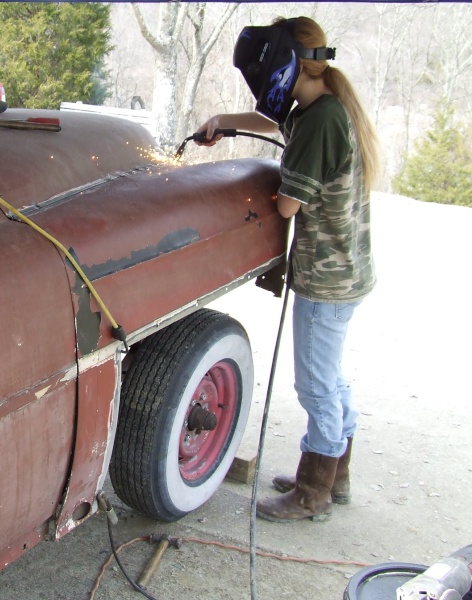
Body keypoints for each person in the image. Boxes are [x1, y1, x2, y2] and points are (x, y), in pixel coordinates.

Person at [196, 16, 381, 522]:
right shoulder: (321, 106)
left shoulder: (322, 120)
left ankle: (312, 490)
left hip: (326, 279)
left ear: (286, 65)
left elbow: (287, 206)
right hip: (346, 271)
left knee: (315, 385)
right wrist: (224, 121)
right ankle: (334, 472)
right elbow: (277, 125)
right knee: (332, 378)